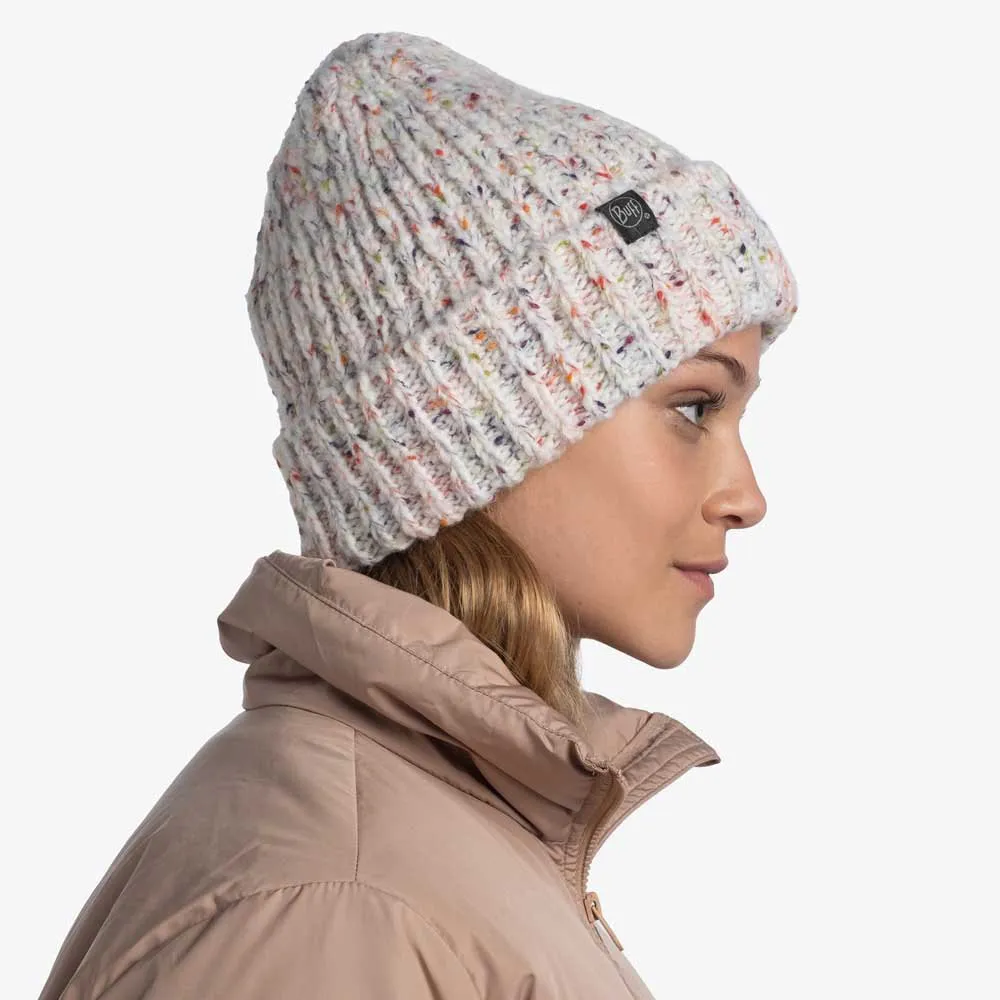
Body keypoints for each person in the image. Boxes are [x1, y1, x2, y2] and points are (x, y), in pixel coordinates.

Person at [38, 29, 799, 1000]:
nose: (746, 497)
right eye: (694, 408)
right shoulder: (336, 903)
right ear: (477, 422)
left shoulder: (429, 844)